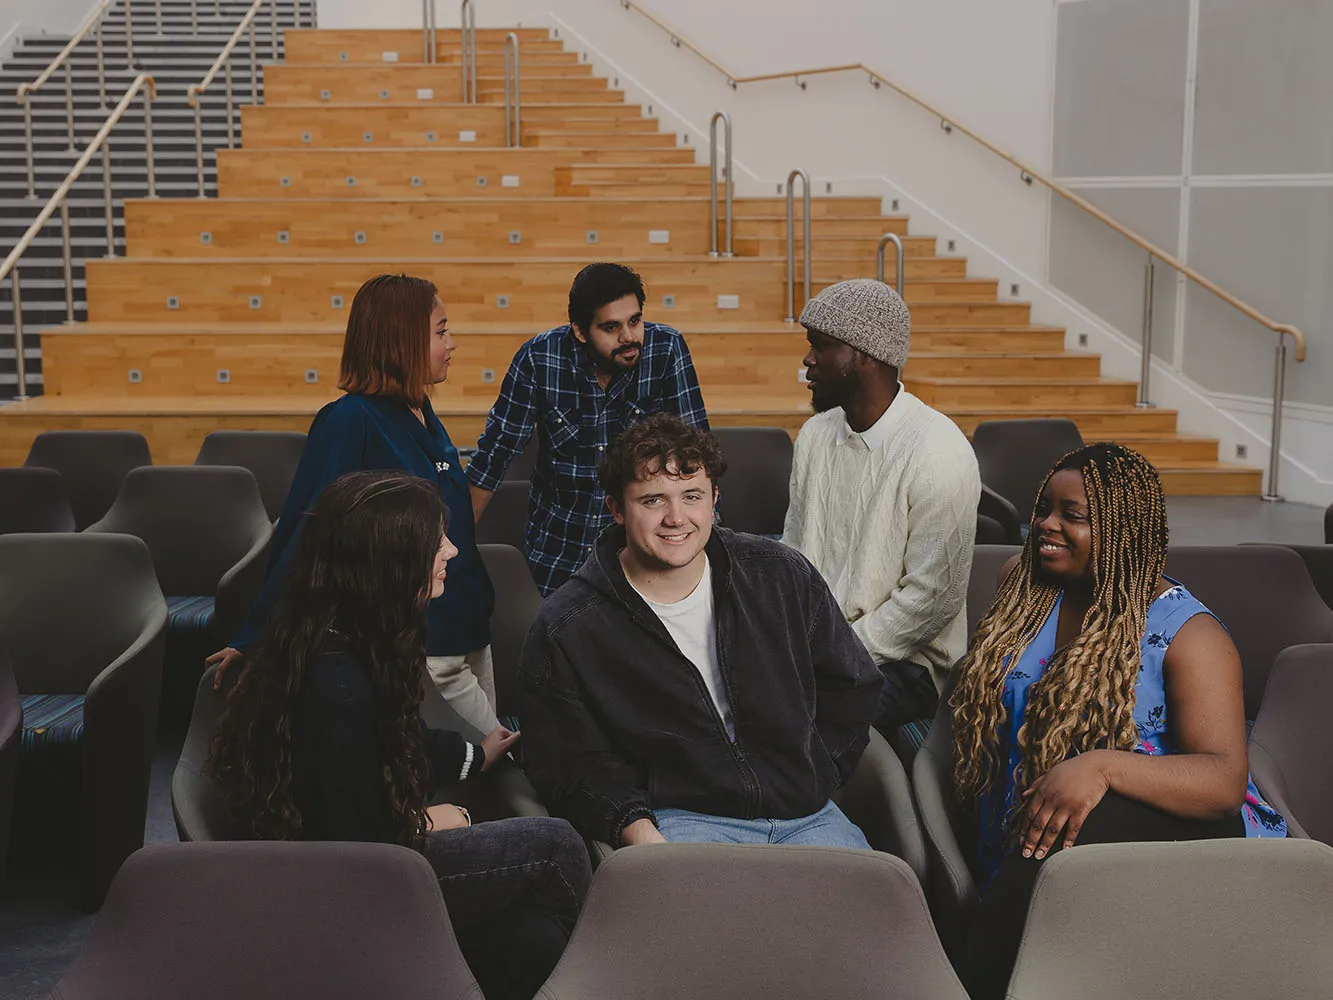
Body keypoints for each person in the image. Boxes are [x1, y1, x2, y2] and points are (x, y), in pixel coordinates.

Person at [208, 471, 590, 1000]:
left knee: (534, 938)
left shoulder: (324, 634)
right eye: (436, 542)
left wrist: (473, 756)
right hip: (345, 892)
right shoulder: (340, 689)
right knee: (555, 845)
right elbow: (358, 849)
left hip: (338, 866)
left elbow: (393, 745)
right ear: (388, 560)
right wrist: (430, 822)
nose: (453, 551)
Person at [948, 443, 1286, 999]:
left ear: (1123, 531)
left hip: (1183, 834)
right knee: (1053, 825)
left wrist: (1103, 766)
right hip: (1038, 836)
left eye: (1072, 517)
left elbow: (1224, 783)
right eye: (1044, 508)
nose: (1045, 526)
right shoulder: (1024, 584)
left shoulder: (1190, 634)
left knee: (1067, 822)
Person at [517, 414, 883, 849]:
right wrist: (639, 833)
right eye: (653, 500)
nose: (676, 517)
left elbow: (853, 685)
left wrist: (815, 770)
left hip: (806, 813)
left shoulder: (780, 574)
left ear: (714, 499)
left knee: (868, 909)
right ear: (617, 508)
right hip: (680, 820)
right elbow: (570, 764)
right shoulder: (568, 625)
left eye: (691, 496)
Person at [207, 274, 504, 743]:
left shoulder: (421, 409)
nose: (453, 343)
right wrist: (257, 637)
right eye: (441, 331)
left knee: (489, 774)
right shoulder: (348, 421)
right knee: (472, 764)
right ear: (402, 340)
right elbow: (306, 534)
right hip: (418, 643)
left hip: (467, 628)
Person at [782, 278, 980, 738]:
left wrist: (827, 654)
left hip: (906, 666)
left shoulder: (938, 451)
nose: (807, 360)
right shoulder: (815, 435)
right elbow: (791, 557)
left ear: (864, 356)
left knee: (791, 719)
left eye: (821, 346)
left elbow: (930, 602)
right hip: (818, 649)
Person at [467, 262, 709, 595]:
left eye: (635, 321)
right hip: (559, 550)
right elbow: (494, 456)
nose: (628, 337)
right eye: (611, 327)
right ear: (580, 332)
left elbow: (694, 453)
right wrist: (455, 542)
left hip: (642, 552)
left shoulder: (666, 349)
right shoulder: (539, 358)